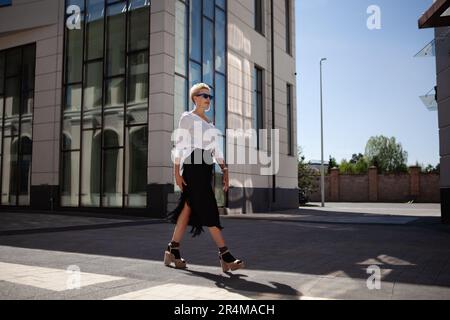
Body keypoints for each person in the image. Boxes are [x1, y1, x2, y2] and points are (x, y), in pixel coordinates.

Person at [165, 83, 245, 272]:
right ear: (195, 98)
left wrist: (225, 169)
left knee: (187, 208)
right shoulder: (188, 117)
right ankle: (225, 254)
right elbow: (179, 144)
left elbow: (216, 149)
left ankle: (172, 249)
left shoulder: (210, 124)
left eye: (210, 97)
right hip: (192, 166)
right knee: (209, 207)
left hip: (206, 167)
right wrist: (176, 171)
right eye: (204, 95)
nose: (208, 99)